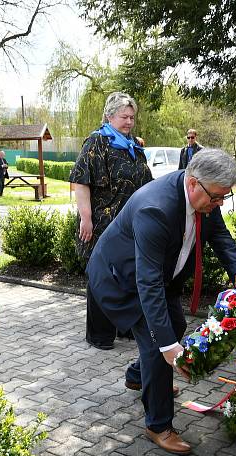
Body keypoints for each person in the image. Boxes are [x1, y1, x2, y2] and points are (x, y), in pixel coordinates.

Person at [87, 149, 236, 454]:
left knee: (175, 324)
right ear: (193, 184)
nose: (220, 204)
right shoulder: (155, 209)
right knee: (157, 341)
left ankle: (138, 377)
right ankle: (158, 425)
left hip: (156, 275)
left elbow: (222, 240)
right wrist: (168, 347)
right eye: (216, 198)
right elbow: (147, 283)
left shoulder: (206, 197)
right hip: (120, 279)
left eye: (224, 197)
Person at [70, 91, 152, 351]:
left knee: (127, 274)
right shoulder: (96, 143)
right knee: (101, 277)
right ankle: (100, 334)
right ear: (109, 116)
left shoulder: (133, 146)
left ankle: (125, 327)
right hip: (103, 222)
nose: (129, 121)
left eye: (131, 117)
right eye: (123, 117)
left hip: (130, 223)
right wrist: (86, 218)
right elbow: (81, 181)